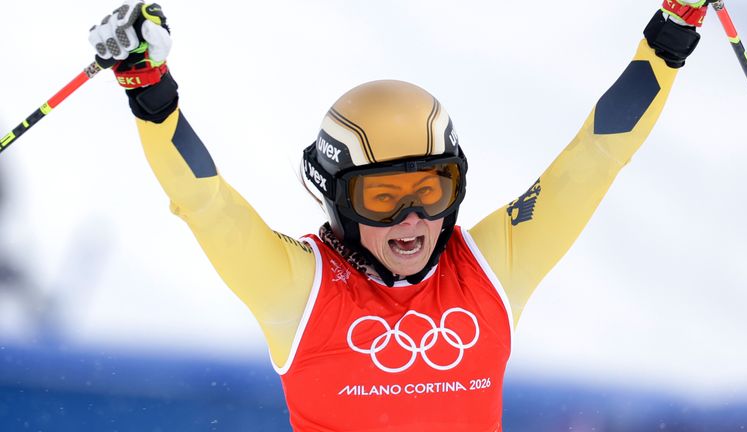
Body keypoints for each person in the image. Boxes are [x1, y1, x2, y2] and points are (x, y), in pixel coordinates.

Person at [88, 1, 710, 430]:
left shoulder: (492, 269)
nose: (412, 220)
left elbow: (597, 154)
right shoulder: (298, 288)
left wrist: (674, 27)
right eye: (382, 199)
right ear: (338, 201)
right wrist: (150, 87)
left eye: (432, 191)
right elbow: (206, 202)